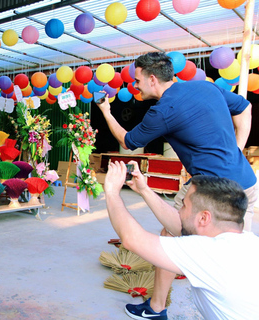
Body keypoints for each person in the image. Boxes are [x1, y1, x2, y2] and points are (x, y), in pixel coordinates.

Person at [97, 52, 258, 318]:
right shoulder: (205, 85)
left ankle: (158, 307)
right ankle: (161, 305)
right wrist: (235, 151)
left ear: (152, 79)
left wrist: (106, 111)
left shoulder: (163, 111)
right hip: (247, 185)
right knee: (235, 258)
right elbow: (245, 108)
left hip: (211, 193)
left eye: (137, 80)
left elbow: (127, 141)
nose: (134, 86)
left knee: (172, 238)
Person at [104, 160, 259, 320]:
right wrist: (144, 190)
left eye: (184, 206)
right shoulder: (247, 242)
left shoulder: (207, 252)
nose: (179, 211)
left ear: (204, 217)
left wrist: (112, 192)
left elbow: (132, 239)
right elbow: (178, 224)